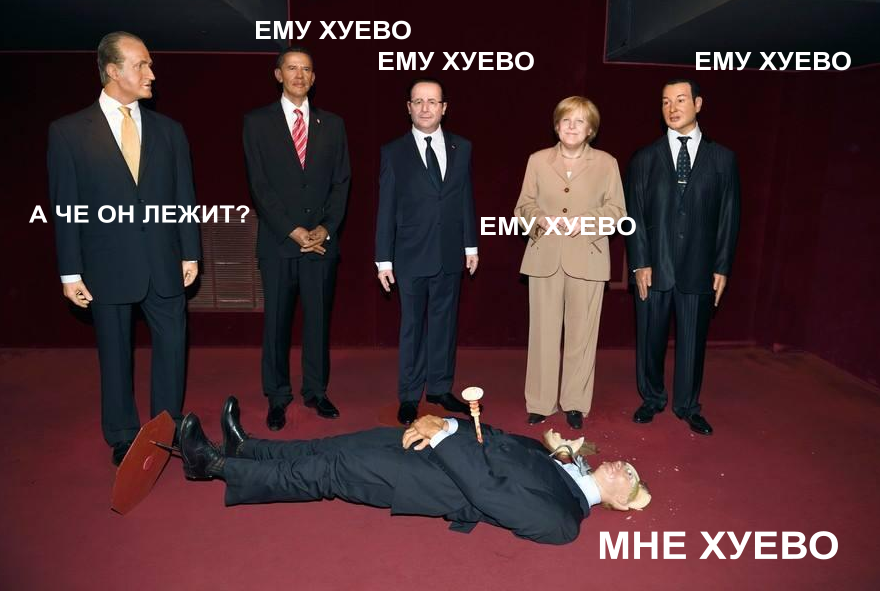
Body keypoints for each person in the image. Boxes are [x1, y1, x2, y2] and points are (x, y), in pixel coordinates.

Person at [179, 397, 651, 545]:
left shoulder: (565, 521)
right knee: (331, 445)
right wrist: (446, 423)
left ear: (620, 503)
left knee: (329, 470)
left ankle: (214, 466)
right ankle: (248, 448)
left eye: (629, 476)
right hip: (433, 445)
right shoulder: (558, 462)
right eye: (628, 464)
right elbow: (492, 434)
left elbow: (488, 493)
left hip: (432, 481)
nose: (623, 466)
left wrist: (442, 437)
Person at [48, 31, 201, 466]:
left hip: (164, 260)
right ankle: (122, 434)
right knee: (114, 353)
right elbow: (66, 208)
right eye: (141, 65)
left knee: (172, 346)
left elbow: (183, 196)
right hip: (106, 264)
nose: (151, 73)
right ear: (113, 71)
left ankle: (167, 427)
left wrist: (191, 251)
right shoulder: (68, 132)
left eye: (149, 64)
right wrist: (70, 273)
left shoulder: (170, 131)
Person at [243, 46, 351, 430]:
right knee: (276, 324)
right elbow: (259, 186)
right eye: (292, 68)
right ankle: (277, 396)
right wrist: (293, 230)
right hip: (279, 242)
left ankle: (316, 391)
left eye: (306, 69)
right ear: (279, 75)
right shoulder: (257, 123)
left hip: (321, 243)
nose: (299, 75)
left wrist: (326, 227)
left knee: (318, 322)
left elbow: (341, 182)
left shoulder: (333, 125)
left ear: (314, 77)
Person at [624, 79, 740, 435]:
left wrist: (722, 266)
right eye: (665, 102)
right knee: (650, 338)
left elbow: (729, 216)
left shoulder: (723, 159)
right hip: (653, 266)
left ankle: (688, 406)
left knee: (693, 341)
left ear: (698, 104)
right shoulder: (644, 158)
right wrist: (639, 262)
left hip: (700, 267)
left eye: (680, 100)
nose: (672, 108)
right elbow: (633, 215)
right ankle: (652, 398)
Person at [513, 97, 626, 429]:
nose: (572, 127)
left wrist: (587, 222)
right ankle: (540, 402)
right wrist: (539, 219)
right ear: (556, 125)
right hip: (544, 256)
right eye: (566, 120)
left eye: (580, 121)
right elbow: (523, 206)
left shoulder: (607, 163)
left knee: (582, 335)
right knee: (543, 334)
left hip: (588, 257)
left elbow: (617, 210)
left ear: (591, 129)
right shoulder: (537, 161)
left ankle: (575, 402)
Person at [374, 78, 478, 425]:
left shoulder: (462, 147)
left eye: (432, 101)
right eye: (418, 101)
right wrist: (383, 259)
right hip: (410, 255)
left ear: (444, 108)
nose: (425, 108)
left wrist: (470, 245)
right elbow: (386, 208)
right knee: (412, 327)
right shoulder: (393, 151)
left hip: (449, 253)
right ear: (408, 108)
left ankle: (439, 388)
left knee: (445, 325)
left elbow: (465, 199)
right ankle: (408, 395)